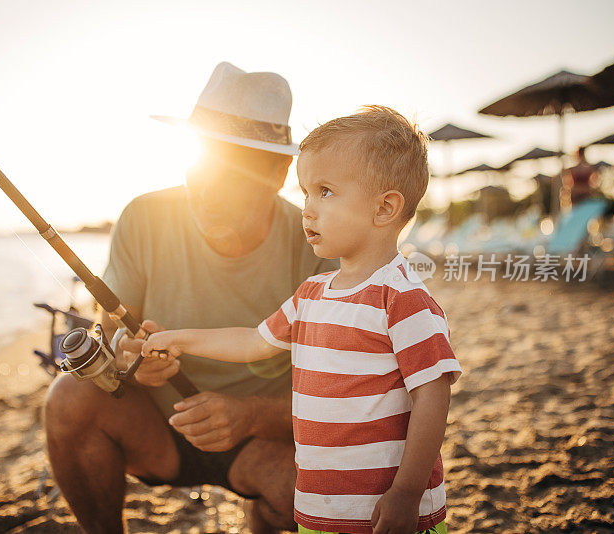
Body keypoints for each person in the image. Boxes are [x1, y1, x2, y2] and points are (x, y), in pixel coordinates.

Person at [44, 62, 337, 534]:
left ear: (281, 172)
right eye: (201, 164)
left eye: (232, 172)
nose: (205, 190)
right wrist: (128, 360)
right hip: (157, 430)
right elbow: (114, 334)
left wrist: (252, 416)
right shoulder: (142, 217)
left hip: (264, 440)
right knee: (68, 398)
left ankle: (260, 515)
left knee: (324, 494)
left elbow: (342, 390)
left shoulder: (319, 248)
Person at [142, 106, 463, 534]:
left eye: (325, 192)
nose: (307, 209)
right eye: (305, 192)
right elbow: (251, 343)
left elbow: (432, 396)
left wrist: (406, 491)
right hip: (320, 509)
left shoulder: (403, 300)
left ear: (385, 208)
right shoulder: (312, 294)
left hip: (388, 511)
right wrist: (180, 338)